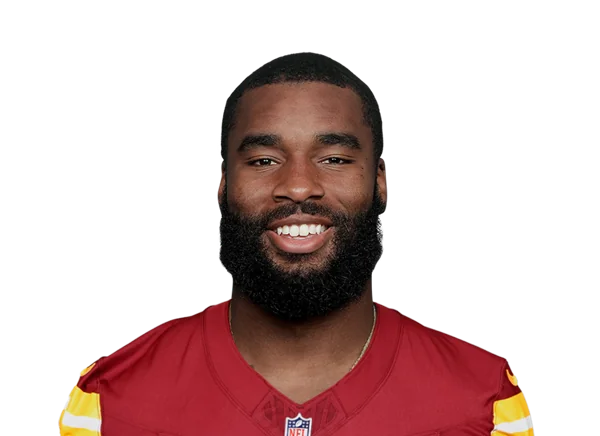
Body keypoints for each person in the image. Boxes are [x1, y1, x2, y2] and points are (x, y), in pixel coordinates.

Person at [58, 52, 534, 435]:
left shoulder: (483, 403)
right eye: (264, 161)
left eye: (334, 158)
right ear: (223, 186)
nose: (299, 186)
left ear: (380, 183)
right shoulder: (112, 402)